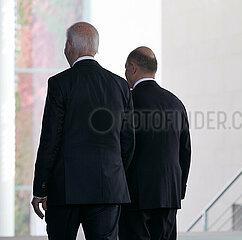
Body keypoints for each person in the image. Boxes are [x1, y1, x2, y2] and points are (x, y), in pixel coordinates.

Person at [31, 22, 135, 240]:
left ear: (69, 46)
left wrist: (41, 188)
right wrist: (113, 172)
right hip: (108, 189)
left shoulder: (60, 83)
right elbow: (128, 142)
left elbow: (51, 139)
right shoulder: (121, 86)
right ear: (95, 48)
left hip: (65, 189)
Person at [119, 46, 191, 240]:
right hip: (168, 194)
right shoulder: (176, 103)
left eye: (125, 69)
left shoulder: (127, 102)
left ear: (133, 68)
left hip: (135, 195)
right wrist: (178, 189)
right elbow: (185, 151)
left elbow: (121, 148)